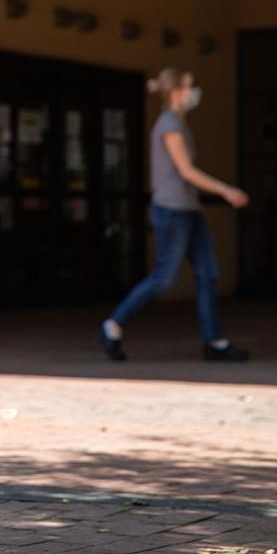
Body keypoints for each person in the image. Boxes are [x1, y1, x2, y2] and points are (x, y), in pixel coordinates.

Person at [96, 68, 250, 362]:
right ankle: (112, 326)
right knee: (164, 278)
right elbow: (186, 171)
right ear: (177, 91)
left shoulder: (178, 123)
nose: (194, 93)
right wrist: (226, 191)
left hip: (189, 210)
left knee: (207, 273)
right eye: (190, 87)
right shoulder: (169, 124)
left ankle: (214, 342)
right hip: (172, 211)